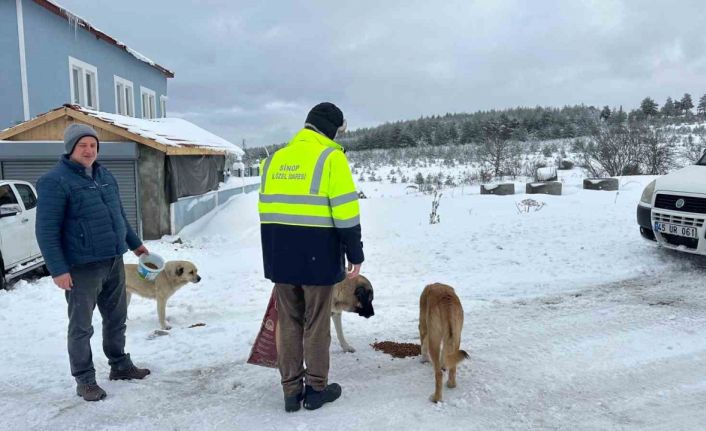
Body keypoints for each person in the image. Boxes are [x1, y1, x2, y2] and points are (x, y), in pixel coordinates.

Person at [258, 102, 364, 412]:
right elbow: (346, 213)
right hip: (317, 255)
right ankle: (317, 389)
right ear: (331, 129)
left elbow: (266, 211)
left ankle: (291, 391)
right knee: (317, 323)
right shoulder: (331, 158)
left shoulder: (274, 159)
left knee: (289, 321)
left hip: (280, 256)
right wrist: (355, 253)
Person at [35, 123, 151, 402]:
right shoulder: (56, 181)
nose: (88, 150)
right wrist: (58, 270)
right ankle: (85, 379)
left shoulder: (105, 176)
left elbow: (119, 217)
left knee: (116, 318)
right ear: (71, 149)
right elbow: (46, 230)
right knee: (81, 327)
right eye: (82, 145)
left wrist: (136, 246)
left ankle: (120, 365)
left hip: (113, 259)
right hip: (81, 266)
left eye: (93, 145)